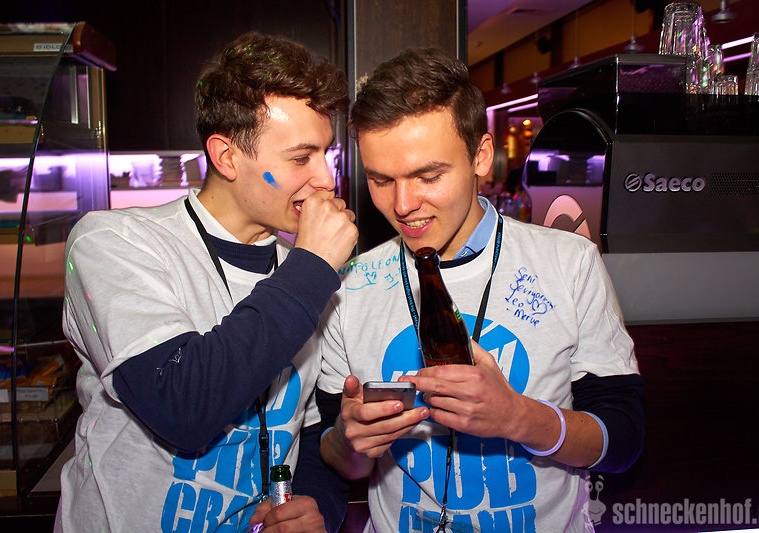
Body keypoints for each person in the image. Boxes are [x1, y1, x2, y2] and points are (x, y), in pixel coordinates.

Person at [317, 48, 643, 532]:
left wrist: (517, 417)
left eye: (429, 176)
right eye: (381, 180)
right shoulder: (348, 285)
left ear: (481, 156)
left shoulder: (568, 263)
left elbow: (623, 441)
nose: (403, 205)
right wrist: (350, 442)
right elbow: (341, 461)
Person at [56, 31, 357, 533]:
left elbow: (310, 430)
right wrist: (313, 266)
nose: (326, 178)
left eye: (326, 153)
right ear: (226, 156)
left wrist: (317, 503)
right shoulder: (114, 243)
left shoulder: (308, 272)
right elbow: (183, 405)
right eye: (301, 157)